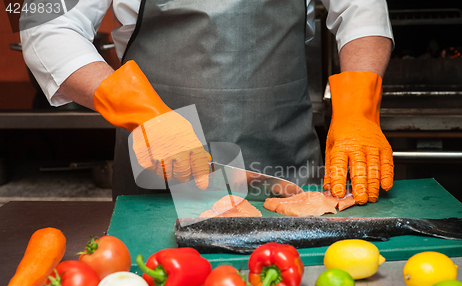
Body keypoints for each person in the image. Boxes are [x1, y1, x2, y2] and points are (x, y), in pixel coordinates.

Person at [21, 0, 394, 204]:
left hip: (288, 176)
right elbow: (45, 25)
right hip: (161, 181)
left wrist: (358, 110)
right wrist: (145, 116)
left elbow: (362, 10)